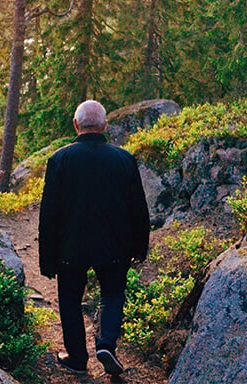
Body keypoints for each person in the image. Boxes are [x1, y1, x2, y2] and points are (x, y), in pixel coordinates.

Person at [38, 100, 150, 377]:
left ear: (76, 125)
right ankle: (106, 344)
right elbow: (138, 207)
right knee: (112, 295)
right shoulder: (123, 159)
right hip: (113, 245)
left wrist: (47, 257)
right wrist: (140, 245)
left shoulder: (60, 159)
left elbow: (49, 213)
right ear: (104, 126)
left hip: (70, 247)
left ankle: (76, 358)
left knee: (70, 299)